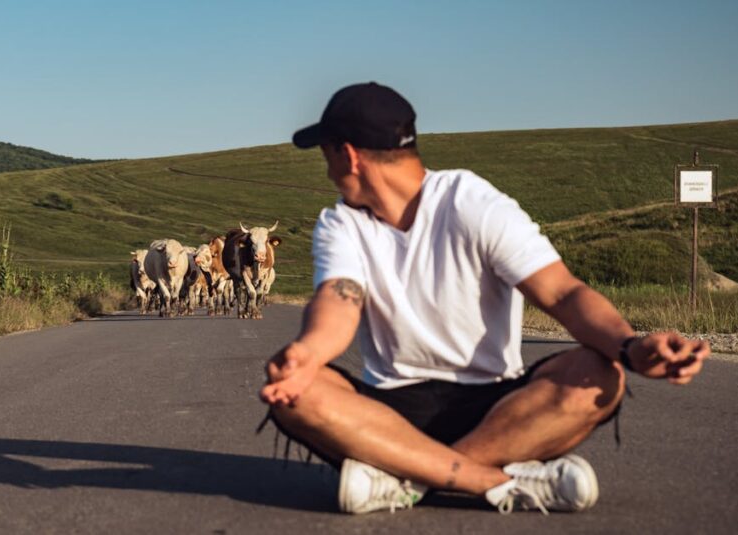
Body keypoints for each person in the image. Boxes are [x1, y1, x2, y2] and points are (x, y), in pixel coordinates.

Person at [260, 82, 710, 515]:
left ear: (349, 155)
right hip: (391, 412)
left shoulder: (471, 202)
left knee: (600, 372)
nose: (327, 169)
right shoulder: (342, 223)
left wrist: (629, 347)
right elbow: (340, 302)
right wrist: (306, 353)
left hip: (499, 410)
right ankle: (496, 482)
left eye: (325, 154)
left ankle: (405, 477)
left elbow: (562, 292)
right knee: (299, 391)